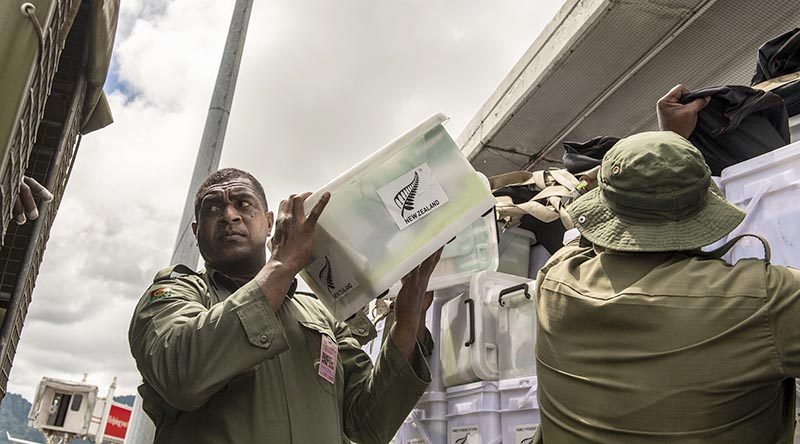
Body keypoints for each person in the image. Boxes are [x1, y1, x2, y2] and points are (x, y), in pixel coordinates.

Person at [533, 85, 800, 443]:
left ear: (606, 213)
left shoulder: (555, 281)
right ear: (706, 206)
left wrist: (666, 143)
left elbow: (584, 235)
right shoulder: (767, 299)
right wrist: (672, 146)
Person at [129, 168, 441, 443]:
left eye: (243, 203)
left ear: (267, 223)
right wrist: (281, 264)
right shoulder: (175, 293)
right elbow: (181, 375)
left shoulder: (320, 312)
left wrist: (407, 322)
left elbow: (367, 425)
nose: (229, 216)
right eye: (213, 208)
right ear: (196, 233)